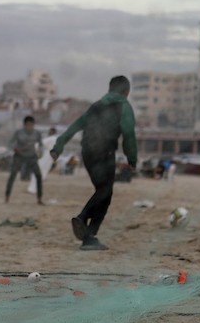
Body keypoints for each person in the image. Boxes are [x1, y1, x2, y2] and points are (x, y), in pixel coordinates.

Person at [50, 75, 138, 250]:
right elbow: (129, 135)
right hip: (104, 154)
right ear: (127, 92)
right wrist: (132, 159)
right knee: (105, 191)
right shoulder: (124, 107)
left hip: (87, 154)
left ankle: (89, 236)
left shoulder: (96, 106)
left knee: (104, 192)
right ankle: (84, 221)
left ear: (109, 89)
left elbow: (75, 126)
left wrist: (58, 146)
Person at [5, 115, 44, 204]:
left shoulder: (37, 133)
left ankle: (39, 198)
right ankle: (7, 196)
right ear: (25, 125)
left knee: (38, 175)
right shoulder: (19, 133)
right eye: (28, 125)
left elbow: (41, 145)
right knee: (13, 175)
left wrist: (40, 153)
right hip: (19, 156)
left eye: (32, 125)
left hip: (31, 156)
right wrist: (15, 148)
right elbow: (10, 143)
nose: (30, 127)